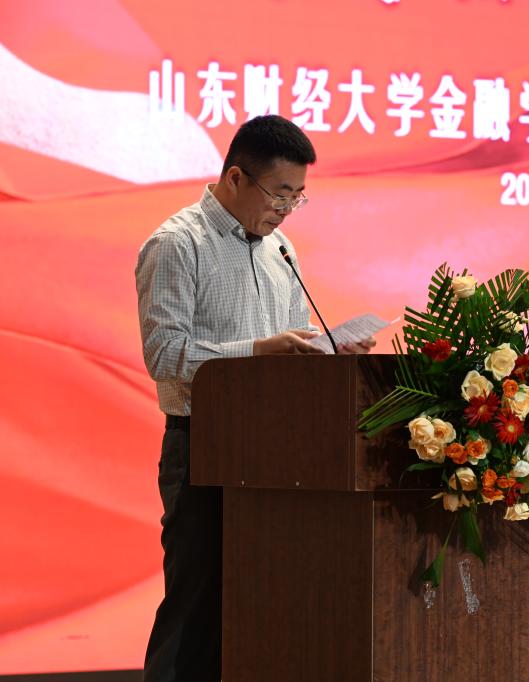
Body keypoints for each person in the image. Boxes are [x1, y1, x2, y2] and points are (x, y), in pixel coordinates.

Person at [134, 114, 374, 681]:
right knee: (196, 605)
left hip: (276, 454)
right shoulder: (177, 244)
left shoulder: (279, 249)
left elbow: (287, 347)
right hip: (204, 447)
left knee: (262, 603)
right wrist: (257, 351)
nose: (286, 209)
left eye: (298, 197)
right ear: (236, 178)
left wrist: (325, 350)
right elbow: (165, 355)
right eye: (279, 193)